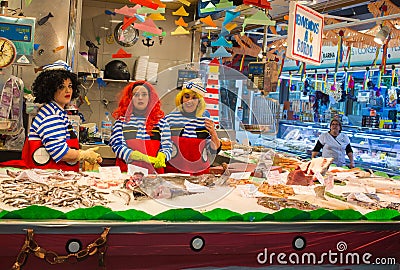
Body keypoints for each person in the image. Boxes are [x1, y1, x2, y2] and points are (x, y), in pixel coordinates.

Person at [1, 61, 102, 172]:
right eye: (61, 87)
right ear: (50, 89)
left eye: (70, 86)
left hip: (54, 176)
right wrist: (83, 155)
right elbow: (60, 152)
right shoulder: (51, 115)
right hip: (47, 177)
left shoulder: (57, 112)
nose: (68, 90)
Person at [109, 80, 172, 174]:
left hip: (154, 174)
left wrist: (163, 155)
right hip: (127, 173)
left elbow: (167, 146)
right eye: (136, 95)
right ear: (130, 99)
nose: (140, 98)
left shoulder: (161, 122)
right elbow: (117, 145)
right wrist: (134, 155)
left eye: (144, 94)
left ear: (150, 98)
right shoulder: (121, 122)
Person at [164, 78, 221, 175]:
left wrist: (213, 134)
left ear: (199, 102)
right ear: (181, 98)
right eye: (186, 96)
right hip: (173, 171)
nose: (189, 101)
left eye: (194, 98)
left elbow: (213, 149)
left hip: (199, 173)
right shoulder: (169, 120)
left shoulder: (205, 122)